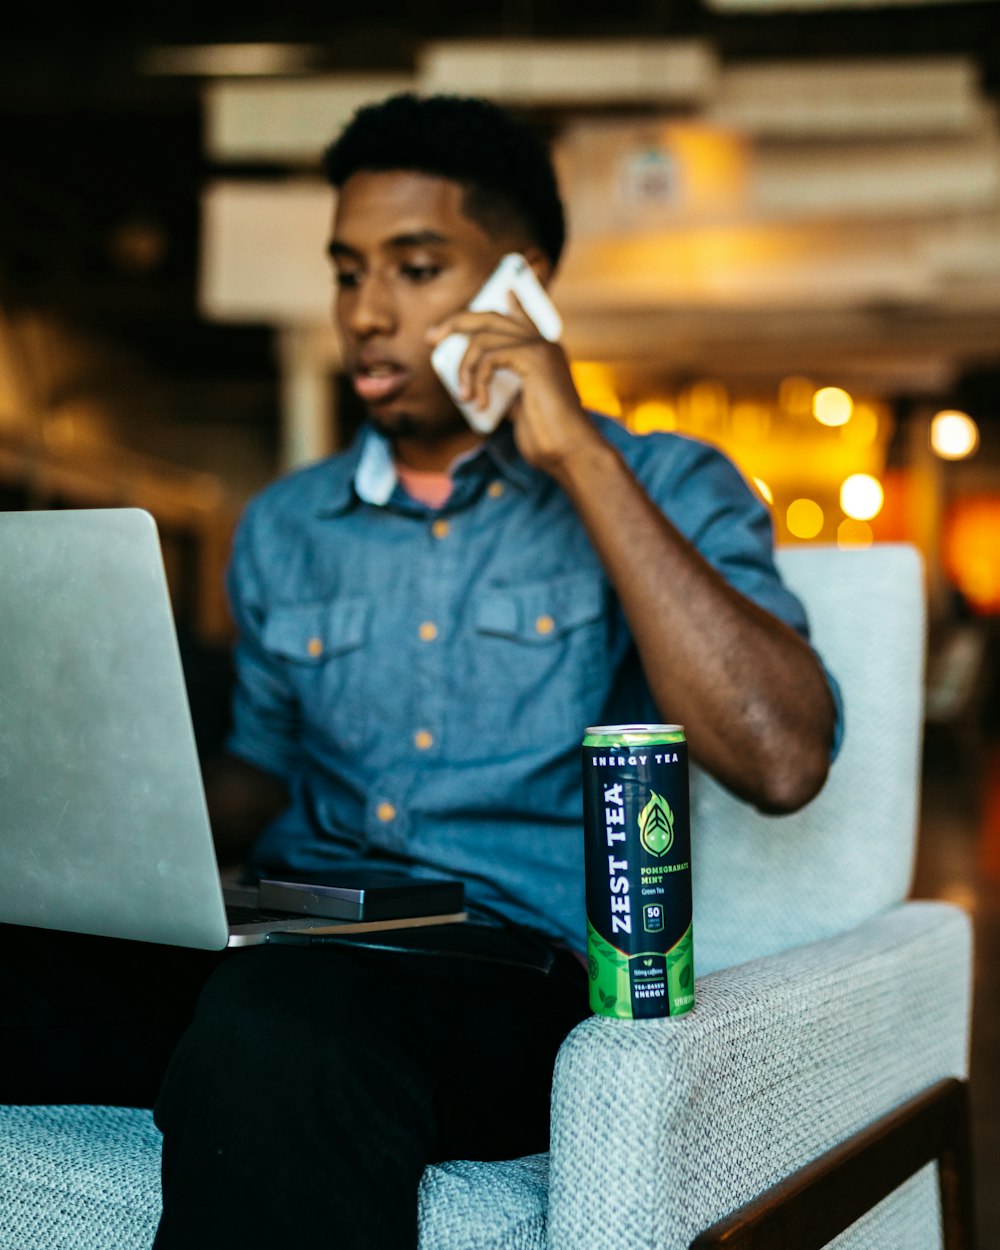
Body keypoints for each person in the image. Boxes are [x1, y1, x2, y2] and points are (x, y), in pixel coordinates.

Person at [3, 93, 840, 1249]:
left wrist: (577, 455)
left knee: (282, 1023)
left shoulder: (668, 481)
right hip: (283, 940)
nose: (366, 314)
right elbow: (262, 767)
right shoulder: (288, 523)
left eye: (414, 266)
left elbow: (782, 755)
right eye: (348, 272)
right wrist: (103, 821)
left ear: (522, 282)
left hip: (502, 976)